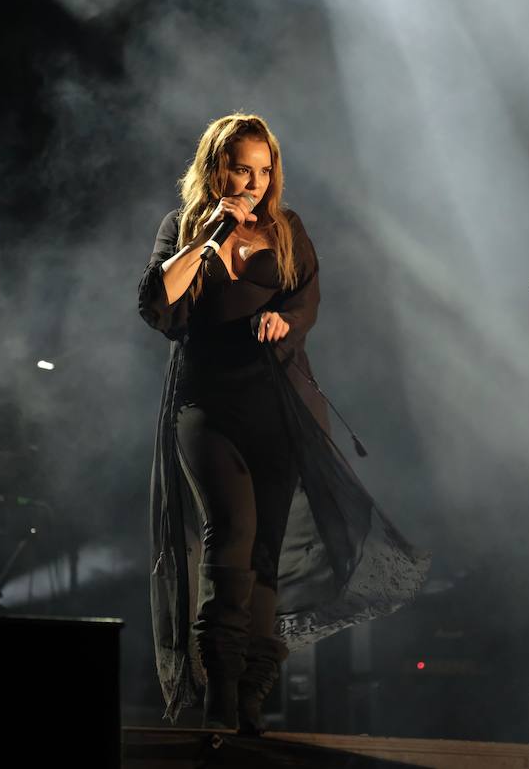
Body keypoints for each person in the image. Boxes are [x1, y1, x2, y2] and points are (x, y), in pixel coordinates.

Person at [138, 113, 430, 734]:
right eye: (241, 168)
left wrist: (285, 324)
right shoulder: (182, 229)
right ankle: (218, 697)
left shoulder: (287, 230)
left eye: (263, 170)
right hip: (205, 405)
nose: (253, 181)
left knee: (266, 549)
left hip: (276, 406)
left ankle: (249, 701)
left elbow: (307, 303)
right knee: (230, 535)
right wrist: (208, 237)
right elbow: (155, 303)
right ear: (216, 167)